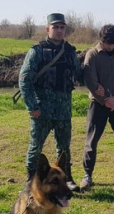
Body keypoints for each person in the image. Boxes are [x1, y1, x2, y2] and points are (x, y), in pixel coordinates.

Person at [19, 13, 83, 191]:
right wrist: (32, 107)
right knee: (36, 146)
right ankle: (31, 181)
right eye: (56, 27)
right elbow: (24, 80)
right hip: (42, 108)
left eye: (62, 27)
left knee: (64, 147)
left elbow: (81, 75)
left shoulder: (70, 52)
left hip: (63, 109)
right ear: (48, 29)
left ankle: (67, 179)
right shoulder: (37, 51)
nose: (60, 30)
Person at [80, 24, 114, 190]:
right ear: (101, 40)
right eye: (108, 43)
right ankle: (87, 175)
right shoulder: (92, 54)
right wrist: (105, 100)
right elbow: (90, 81)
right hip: (97, 104)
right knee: (92, 140)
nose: (111, 46)